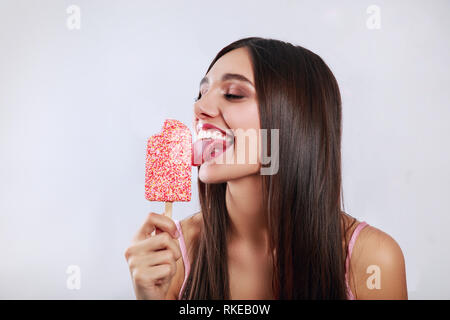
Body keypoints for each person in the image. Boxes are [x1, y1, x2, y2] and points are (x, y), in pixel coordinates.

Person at [125, 37, 408, 300]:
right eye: (201, 92)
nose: (200, 107)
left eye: (234, 94)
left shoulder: (372, 258)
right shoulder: (174, 254)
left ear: (294, 121)